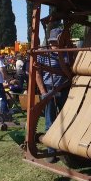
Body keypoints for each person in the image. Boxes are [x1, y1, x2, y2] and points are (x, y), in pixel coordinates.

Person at [36, 28, 70, 163]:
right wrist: (43, 92)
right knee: (50, 122)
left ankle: (66, 149)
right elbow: (37, 74)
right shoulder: (43, 54)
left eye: (58, 41)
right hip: (49, 90)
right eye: (54, 41)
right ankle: (51, 152)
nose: (55, 44)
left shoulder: (67, 52)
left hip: (65, 89)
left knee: (66, 119)